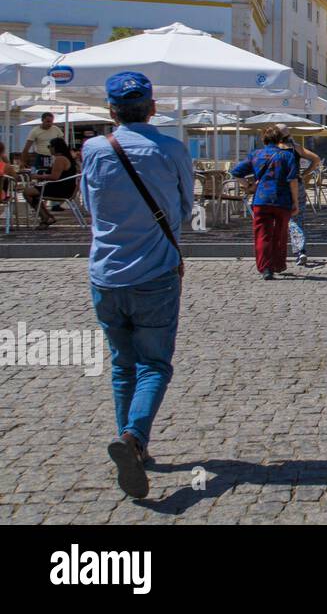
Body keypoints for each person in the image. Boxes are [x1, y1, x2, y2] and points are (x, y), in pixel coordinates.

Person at [80, 71, 192, 499]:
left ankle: (132, 445)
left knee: (122, 363)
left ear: (111, 110)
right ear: (153, 106)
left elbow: (90, 205)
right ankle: (133, 439)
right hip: (155, 274)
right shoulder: (172, 149)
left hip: (105, 275)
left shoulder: (93, 149)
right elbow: (184, 208)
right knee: (155, 365)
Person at [231, 126, 300, 280]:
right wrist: (296, 201)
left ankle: (265, 268)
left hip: (261, 199)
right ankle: (278, 264)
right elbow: (293, 181)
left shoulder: (255, 155)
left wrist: (247, 186)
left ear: (264, 139)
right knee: (280, 234)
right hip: (282, 199)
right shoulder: (287, 156)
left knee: (262, 234)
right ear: (279, 139)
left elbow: (236, 172)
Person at [276, 126, 320, 267]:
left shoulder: (273, 149)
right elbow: (316, 159)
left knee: (276, 218)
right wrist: (305, 173)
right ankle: (300, 250)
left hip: (278, 186)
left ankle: (275, 251)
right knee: (296, 218)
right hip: (297, 183)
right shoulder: (296, 148)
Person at [23, 136, 78, 227]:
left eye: (49, 146)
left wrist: (37, 176)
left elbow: (54, 177)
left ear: (55, 147)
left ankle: (45, 217)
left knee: (27, 192)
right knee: (34, 193)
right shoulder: (68, 158)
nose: (49, 149)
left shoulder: (60, 159)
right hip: (66, 188)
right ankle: (47, 216)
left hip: (60, 190)